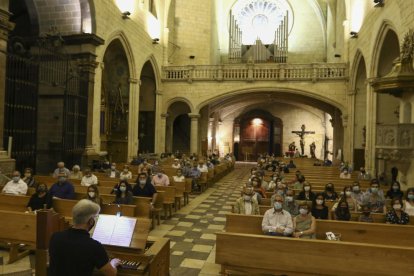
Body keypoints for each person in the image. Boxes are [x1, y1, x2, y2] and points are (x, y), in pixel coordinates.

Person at [49, 199, 120, 275]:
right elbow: (111, 273)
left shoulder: (55, 237)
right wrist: (113, 263)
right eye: (96, 217)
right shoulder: (94, 246)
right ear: (91, 221)